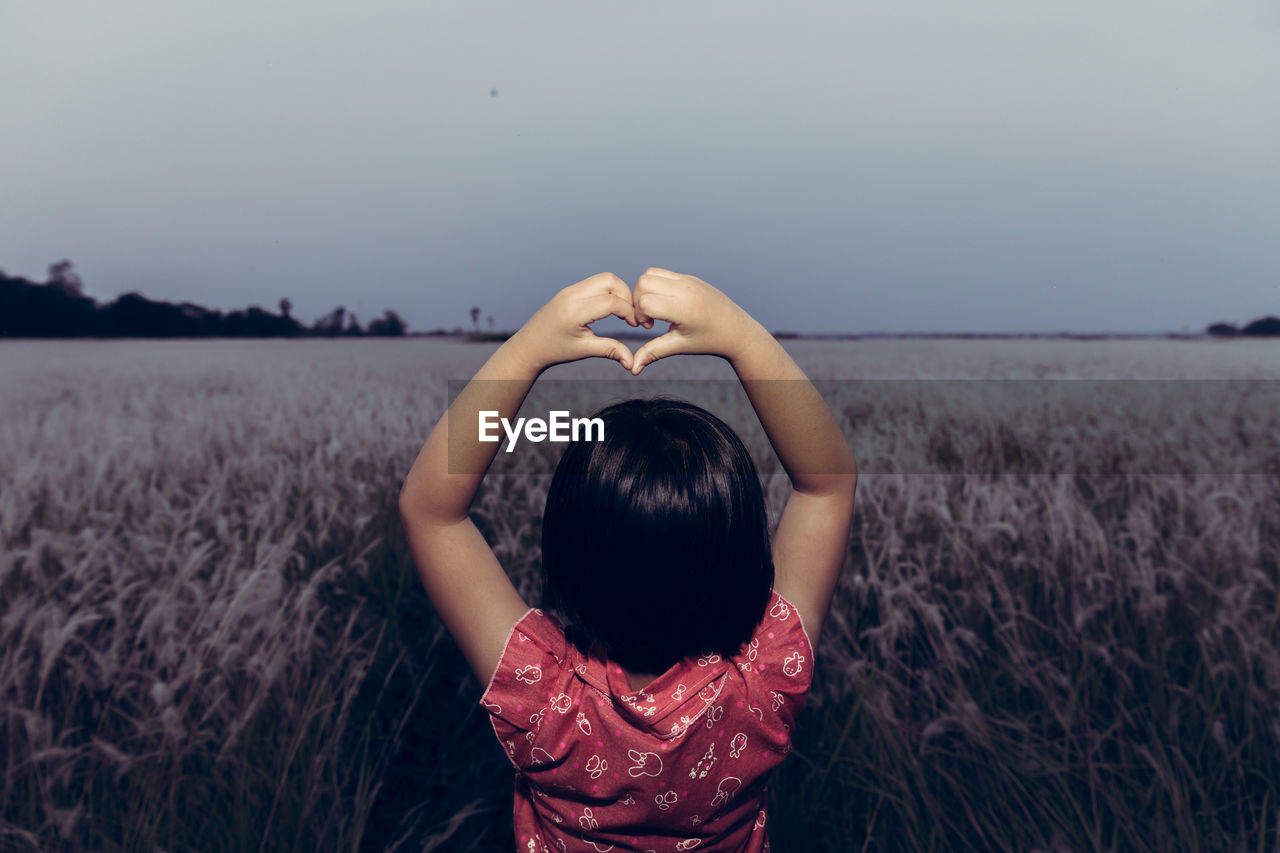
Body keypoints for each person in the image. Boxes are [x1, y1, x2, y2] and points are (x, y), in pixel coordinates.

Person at [399, 268, 858, 851]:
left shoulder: (545, 699)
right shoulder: (762, 684)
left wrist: (529, 349)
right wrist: (742, 338)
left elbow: (430, 510)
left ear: (566, 561)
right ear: (744, 558)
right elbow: (827, 485)